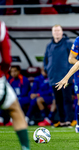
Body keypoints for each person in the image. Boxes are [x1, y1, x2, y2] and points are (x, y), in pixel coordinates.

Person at [0, 21, 30, 149]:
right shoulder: (0, 26)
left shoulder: (23, 80)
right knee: (15, 110)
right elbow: (6, 59)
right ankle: (25, 147)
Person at [43, 24, 74, 127]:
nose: (56, 32)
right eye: (54, 31)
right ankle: (61, 121)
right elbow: (46, 59)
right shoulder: (49, 45)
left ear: (62, 32)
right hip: (53, 77)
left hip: (65, 77)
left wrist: (69, 73)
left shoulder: (68, 43)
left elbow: (74, 58)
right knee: (58, 100)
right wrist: (47, 69)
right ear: (52, 32)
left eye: (58, 30)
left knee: (67, 100)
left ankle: (69, 120)